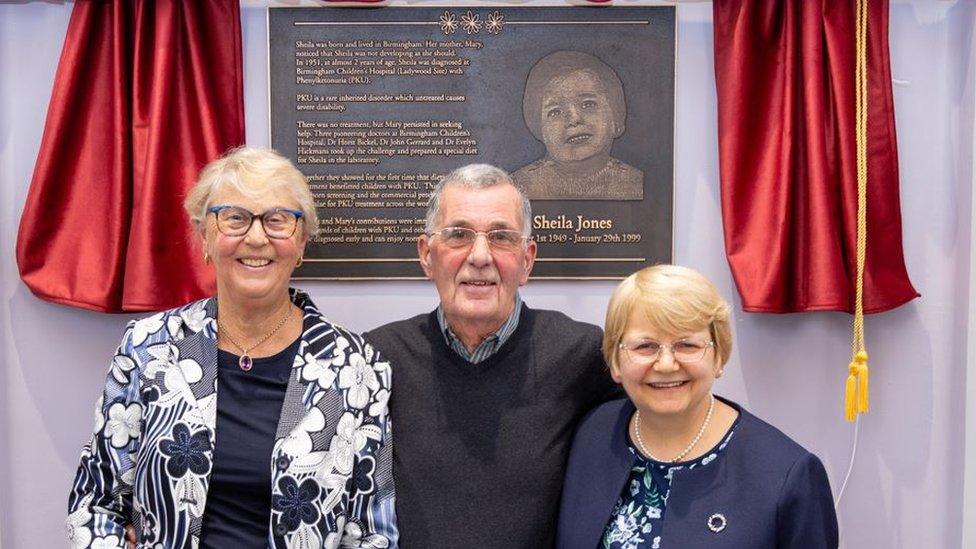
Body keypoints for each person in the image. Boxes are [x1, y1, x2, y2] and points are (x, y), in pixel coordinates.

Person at [66, 147, 397, 549]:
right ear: (204, 236)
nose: (257, 238)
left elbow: (372, 535)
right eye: (236, 218)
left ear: (302, 243)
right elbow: (95, 505)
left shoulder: (357, 369)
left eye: (278, 220)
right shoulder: (148, 348)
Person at [366, 164, 620, 548]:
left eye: (501, 237)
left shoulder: (581, 354)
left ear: (527, 259)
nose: (480, 256)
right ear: (427, 255)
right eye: (458, 235)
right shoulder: (377, 359)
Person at [557, 265, 838, 548]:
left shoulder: (789, 474)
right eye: (645, 346)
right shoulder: (592, 434)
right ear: (616, 362)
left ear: (718, 356)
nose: (666, 364)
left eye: (687, 345)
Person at [513, 50, 644, 201]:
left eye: (588, 104)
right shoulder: (516, 188)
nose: (574, 119)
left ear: (616, 118)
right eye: (555, 112)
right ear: (540, 129)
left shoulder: (636, 183)